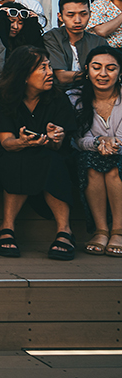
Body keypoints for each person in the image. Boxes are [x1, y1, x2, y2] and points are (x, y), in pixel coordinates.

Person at [0, 46, 77, 260]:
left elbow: (59, 146)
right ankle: (7, 226)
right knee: (19, 158)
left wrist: (56, 138)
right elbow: (6, 143)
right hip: (9, 156)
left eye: (49, 66)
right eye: (42, 68)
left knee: (53, 160)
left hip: (49, 157)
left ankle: (65, 230)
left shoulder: (58, 99)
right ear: (24, 75)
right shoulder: (2, 98)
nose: (50, 72)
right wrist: (23, 142)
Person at [72, 45, 122, 256]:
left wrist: (114, 144)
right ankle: (101, 230)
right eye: (96, 67)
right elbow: (75, 139)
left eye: (111, 68)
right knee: (92, 166)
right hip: (89, 155)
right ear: (87, 69)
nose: (103, 74)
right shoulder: (74, 98)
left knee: (113, 170)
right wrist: (98, 142)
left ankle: (118, 231)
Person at [43, 0, 107, 93]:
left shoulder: (99, 42)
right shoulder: (52, 38)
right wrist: (92, 74)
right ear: (60, 17)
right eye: (70, 15)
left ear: (90, 14)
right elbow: (61, 77)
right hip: (58, 95)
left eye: (83, 14)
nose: (77, 20)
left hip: (91, 94)